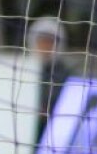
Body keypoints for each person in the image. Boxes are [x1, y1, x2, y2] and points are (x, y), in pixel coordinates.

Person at [27, 16, 70, 145]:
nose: (45, 47)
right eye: (42, 41)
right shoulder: (27, 69)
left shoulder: (63, 73)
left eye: (50, 42)